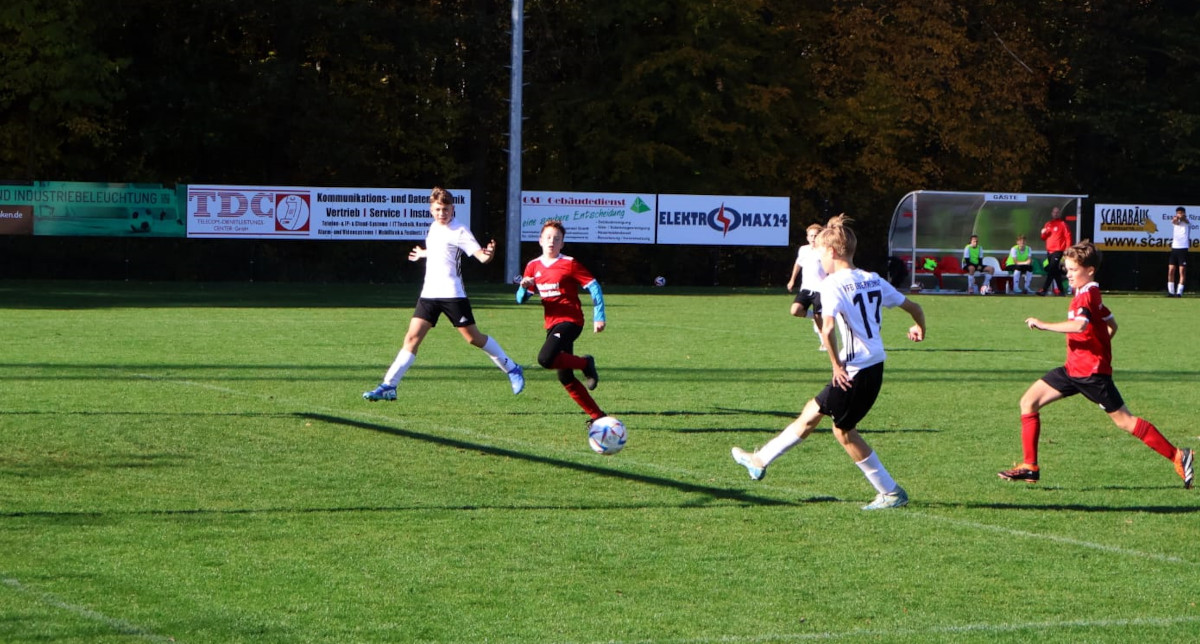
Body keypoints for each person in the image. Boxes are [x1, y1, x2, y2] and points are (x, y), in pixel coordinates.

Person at [731, 214, 927, 510]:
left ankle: (890, 491)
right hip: (873, 365)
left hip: (854, 370)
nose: (817, 259)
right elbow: (914, 306)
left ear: (832, 252)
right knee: (812, 412)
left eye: (819, 253)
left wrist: (836, 367)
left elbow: (828, 328)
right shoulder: (872, 279)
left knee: (844, 432)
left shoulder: (833, 284)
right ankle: (759, 460)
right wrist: (919, 328)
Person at [999, 240, 1193, 488]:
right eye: (1067, 270)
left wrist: (1044, 324)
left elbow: (1080, 325)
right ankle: (1029, 467)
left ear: (1089, 270)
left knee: (1125, 421)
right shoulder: (1090, 293)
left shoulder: (1086, 296)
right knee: (1029, 402)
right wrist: (1097, 347)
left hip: (1091, 375)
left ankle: (1178, 455)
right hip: (1073, 369)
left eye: (1073, 270)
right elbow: (1112, 325)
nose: (1068, 274)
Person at [363, 187, 525, 401]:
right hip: (429, 294)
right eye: (438, 209)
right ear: (431, 210)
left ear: (453, 209)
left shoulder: (460, 230)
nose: (442, 213)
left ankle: (512, 368)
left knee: (473, 338)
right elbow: (440, 249)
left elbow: (481, 257)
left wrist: (489, 254)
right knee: (411, 339)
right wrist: (423, 253)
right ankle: (389, 385)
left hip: (452, 294)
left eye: (446, 209)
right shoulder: (433, 228)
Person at [517, 220, 607, 427]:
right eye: (548, 237)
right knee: (565, 377)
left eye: (557, 239)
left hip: (571, 321)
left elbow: (594, 287)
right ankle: (598, 416)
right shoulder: (533, 265)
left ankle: (585, 363)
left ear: (562, 243)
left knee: (545, 358)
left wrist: (599, 316)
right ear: (540, 240)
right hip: (552, 324)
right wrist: (524, 287)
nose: (552, 241)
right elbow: (521, 299)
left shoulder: (570, 263)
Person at [786, 223, 826, 349]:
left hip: (820, 289)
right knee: (795, 310)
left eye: (816, 235)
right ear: (807, 237)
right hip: (806, 288)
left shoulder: (825, 250)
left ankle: (824, 342)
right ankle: (812, 317)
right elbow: (798, 264)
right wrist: (792, 280)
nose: (813, 238)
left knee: (819, 319)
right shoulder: (803, 249)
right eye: (811, 235)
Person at [1036, 206, 1072, 296]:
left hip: (1058, 250)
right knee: (1055, 271)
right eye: (1054, 212)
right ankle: (1061, 291)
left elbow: (1068, 237)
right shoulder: (1048, 224)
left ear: (1059, 214)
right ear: (1052, 213)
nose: (1056, 214)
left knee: (1052, 269)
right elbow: (1043, 238)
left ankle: (1044, 289)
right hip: (1049, 251)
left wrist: (1067, 250)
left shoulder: (1063, 224)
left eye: (1057, 212)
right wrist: (1043, 233)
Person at [1167, 206, 1190, 298]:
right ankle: (1171, 292)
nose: (1179, 214)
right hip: (1174, 248)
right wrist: (1176, 218)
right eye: (1178, 213)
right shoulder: (1175, 221)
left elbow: (1185, 220)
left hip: (1183, 248)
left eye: (1181, 212)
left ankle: (1179, 292)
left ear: (1184, 213)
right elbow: (1174, 222)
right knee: (1171, 270)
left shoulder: (1187, 222)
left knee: (1182, 271)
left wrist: (1182, 217)